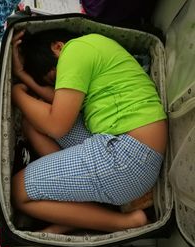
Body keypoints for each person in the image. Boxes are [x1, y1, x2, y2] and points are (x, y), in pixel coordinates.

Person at [11, 28, 167, 234]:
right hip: (131, 150)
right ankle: (84, 201)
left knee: (18, 190)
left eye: (57, 78)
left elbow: (57, 124)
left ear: (58, 47)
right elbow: (57, 103)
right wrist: (22, 75)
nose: (60, 86)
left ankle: (124, 222)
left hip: (126, 157)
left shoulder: (74, 50)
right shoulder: (94, 48)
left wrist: (16, 94)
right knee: (32, 122)